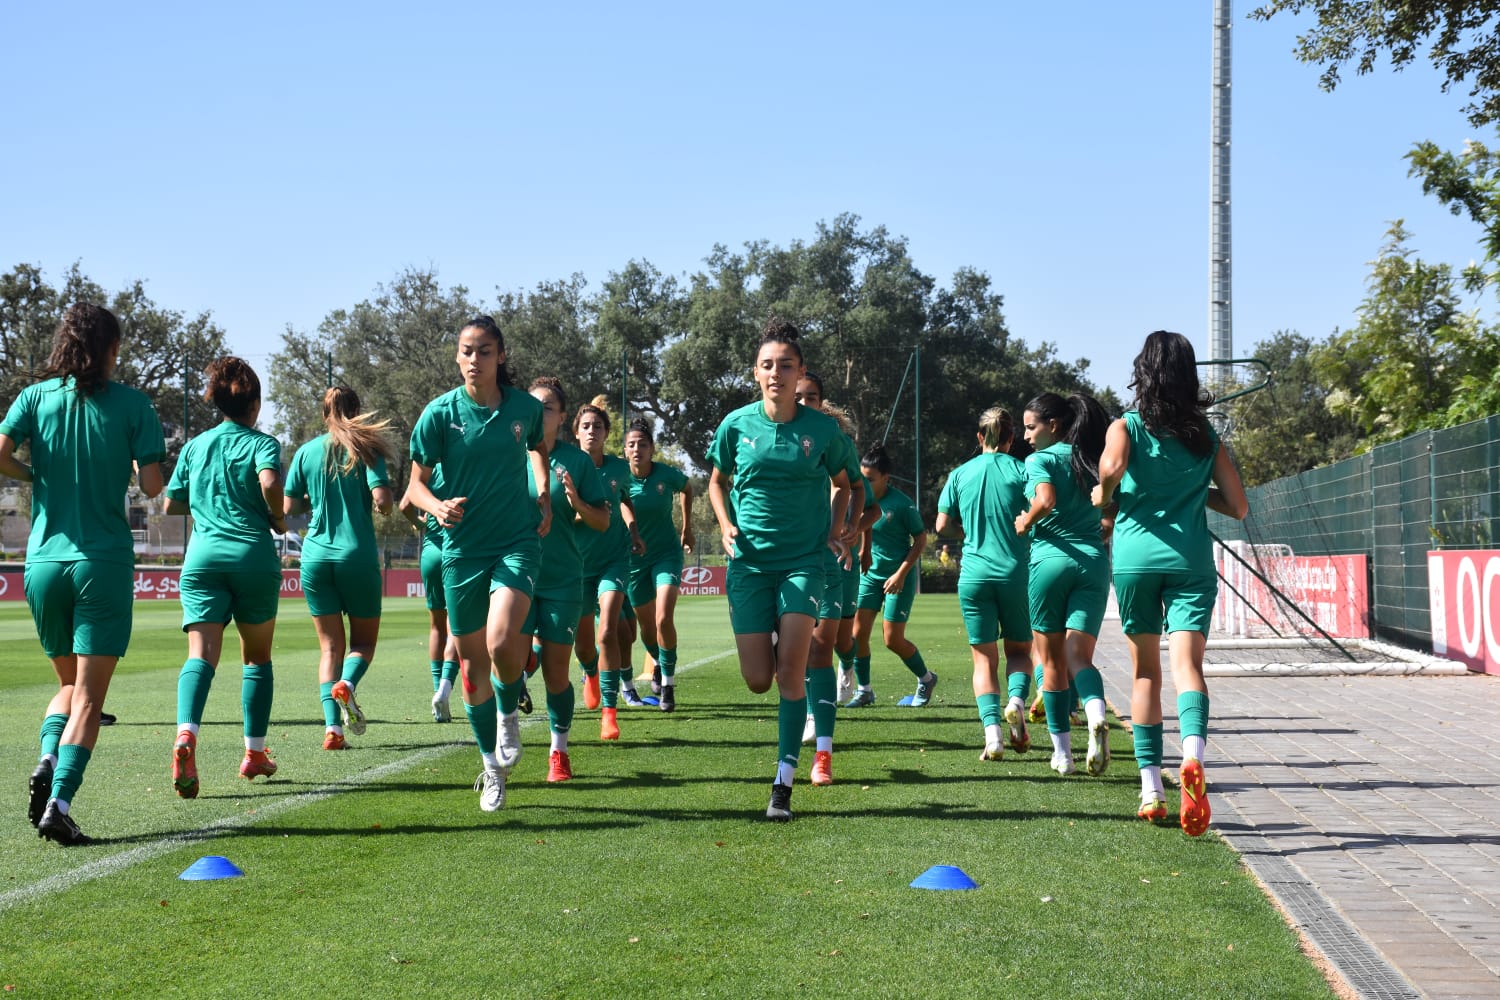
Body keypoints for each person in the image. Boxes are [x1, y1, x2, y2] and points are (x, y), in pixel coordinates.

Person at [0, 303, 165, 844]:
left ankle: (47, 756)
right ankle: (59, 803)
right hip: (102, 561)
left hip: (44, 562)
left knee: (68, 687)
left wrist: (32, 474)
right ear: (112, 348)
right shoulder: (133, 405)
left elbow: (0, 452)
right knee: (90, 699)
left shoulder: (33, 398)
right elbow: (154, 486)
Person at [1092, 331, 1248, 834]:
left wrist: (1105, 493)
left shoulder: (1128, 425)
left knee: (1144, 674)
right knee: (1188, 666)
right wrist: (1193, 492)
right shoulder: (1205, 435)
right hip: (1191, 560)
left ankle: (1151, 789)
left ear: (1144, 372)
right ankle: (1193, 756)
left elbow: (1112, 466)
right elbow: (1239, 506)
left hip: (1137, 560)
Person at [403, 315, 550, 812]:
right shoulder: (439, 414)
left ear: (501, 356)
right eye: (466, 351)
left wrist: (544, 493)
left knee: (502, 639)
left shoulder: (525, 409)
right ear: (456, 356)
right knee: (470, 669)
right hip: (460, 549)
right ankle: (491, 770)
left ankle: (509, 711)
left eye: (484, 351)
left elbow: (537, 448)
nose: (474, 360)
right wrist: (437, 507)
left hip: (515, 541)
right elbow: (414, 486)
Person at [708, 318, 851, 821]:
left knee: (793, 673)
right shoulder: (736, 425)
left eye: (785, 366)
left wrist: (835, 529)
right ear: (756, 373)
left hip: (803, 563)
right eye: (768, 365)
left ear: (800, 372)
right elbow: (716, 482)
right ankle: (771, 634)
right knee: (756, 680)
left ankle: (783, 782)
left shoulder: (822, 430)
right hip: (748, 565)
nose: (776, 373)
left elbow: (845, 483)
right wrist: (725, 524)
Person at [165, 357, 285, 799]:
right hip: (251, 557)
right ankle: (254, 753)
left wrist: (204, 502)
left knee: (201, 655)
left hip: (201, 561)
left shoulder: (196, 447)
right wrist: (276, 516)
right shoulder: (262, 443)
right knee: (256, 657)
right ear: (254, 403)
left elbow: (169, 504)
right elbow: (270, 483)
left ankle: (185, 735)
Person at [283, 386, 396, 750]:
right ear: (357, 410)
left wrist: (316, 496)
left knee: (330, 647)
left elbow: (288, 506)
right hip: (356, 556)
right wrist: (382, 504)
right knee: (362, 643)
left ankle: (333, 729)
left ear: (324, 413)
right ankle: (346, 685)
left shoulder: (305, 452)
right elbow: (383, 501)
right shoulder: (367, 449)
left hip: (315, 558)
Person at [1014, 391, 1114, 778]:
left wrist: (1027, 520)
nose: (1026, 437)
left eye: (1030, 427)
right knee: (1081, 658)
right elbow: (1110, 503)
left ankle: (1063, 755)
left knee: (1052, 663)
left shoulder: (1040, 460)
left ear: (1053, 426)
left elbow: (1046, 499)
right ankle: (1095, 713)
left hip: (1050, 563)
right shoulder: (1091, 460)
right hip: (1092, 562)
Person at [521, 377, 609, 781]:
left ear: (562, 417)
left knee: (557, 672)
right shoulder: (508, 454)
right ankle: (507, 722)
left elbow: (603, 520)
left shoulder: (576, 463)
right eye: (534, 406)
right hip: (514, 577)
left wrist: (575, 501)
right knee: (509, 663)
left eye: (549, 408)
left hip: (562, 580)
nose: (541, 414)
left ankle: (559, 752)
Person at [935, 406, 1034, 760]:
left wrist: (967, 532)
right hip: (1015, 573)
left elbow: (941, 525)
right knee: (1021, 652)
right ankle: (1017, 702)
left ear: (979, 438)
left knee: (983, 660)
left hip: (974, 575)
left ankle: (993, 736)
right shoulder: (1022, 470)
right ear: (1011, 438)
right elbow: (1039, 512)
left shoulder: (960, 473)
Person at [793, 373, 865, 786]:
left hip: (828, 560)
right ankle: (806, 708)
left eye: (812, 397)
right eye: (799, 396)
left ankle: (823, 750)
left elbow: (857, 489)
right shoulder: (770, 438)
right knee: (787, 655)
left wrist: (848, 527)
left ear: (822, 402)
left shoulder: (835, 444)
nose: (804, 403)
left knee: (821, 648)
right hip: (782, 563)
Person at [573, 397, 645, 741]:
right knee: (585, 645)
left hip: (613, 560)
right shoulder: (565, 467)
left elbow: (625, 500)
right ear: (576, 433)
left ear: (606, 433)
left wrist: (632, 530)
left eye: (597, 426)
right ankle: (590, 673)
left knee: (608, 631)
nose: (591, 431)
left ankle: (610, 713)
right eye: (585, 426)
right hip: (574, 564)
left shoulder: (618, 469)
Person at [850, 444, 932, 707]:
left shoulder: (902, 504)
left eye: (870, 479)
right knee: (856, 634)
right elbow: (866, 523)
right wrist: (864, 550)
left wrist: (900, 574)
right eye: (862, 477)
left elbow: (920, 539)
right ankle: (864, 690)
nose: (864, 482)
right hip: (869, 576)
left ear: (887, 478)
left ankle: (926, 679)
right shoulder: (862, 497)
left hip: (899, 578)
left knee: (892, 640)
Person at [624, 419, 694, 711]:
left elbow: (688, 488)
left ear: (652, 448)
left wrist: (687, 528)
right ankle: (656, 663)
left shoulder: (666, 475)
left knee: (664, 618)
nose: (637, 449)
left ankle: (667, 683)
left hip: (666, 554)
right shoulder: (619, 477)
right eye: (631, 444)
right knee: (647, 628)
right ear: (625, 450)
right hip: (633, 560)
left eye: (643, 444)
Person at [400, 465, 463, 723]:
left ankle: (437, 689)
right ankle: (445, 688)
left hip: (431, 553)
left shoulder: (429, 471)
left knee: (437, 626)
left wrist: (419, 522)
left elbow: (404, 505)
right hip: (457, 551)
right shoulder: (464, 466)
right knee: (457, 626)